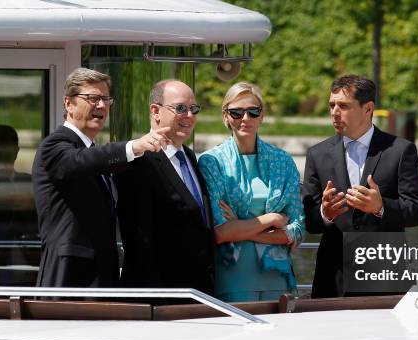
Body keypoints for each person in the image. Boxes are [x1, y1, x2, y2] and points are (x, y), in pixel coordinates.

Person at [32, 67, 170, 287]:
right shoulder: (55, 145)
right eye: (92, 98)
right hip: (70, 279)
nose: (102, 105)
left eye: (106, 99)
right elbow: (82, 160)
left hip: (103, 277)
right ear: (68, 104)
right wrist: (133, 146)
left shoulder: (95, 154)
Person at [302, 75, 418, 298]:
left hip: (385, 279)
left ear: (368, 109)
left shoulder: (400, 151)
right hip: (333, 281)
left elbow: (417, 211)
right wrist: (325, 213)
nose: (334, 112)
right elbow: (309, 221)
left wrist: (381, 207)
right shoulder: (317, 155)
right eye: (332, 105)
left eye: (344, 106)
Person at [198, 82, 305, 302]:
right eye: (236, 112)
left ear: (262, 116)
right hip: (231, 276)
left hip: (277, 277)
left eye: (253, 112)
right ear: (226, 116)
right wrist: (272, 219)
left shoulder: (283, 160)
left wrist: (241, 227)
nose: (245, 118)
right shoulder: (212, 162)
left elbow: (297, 229)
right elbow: (220, 232)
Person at [114, 80, 214, 295]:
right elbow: (139, 241)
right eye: (180, 108)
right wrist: (158, 303)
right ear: (155, 111)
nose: (189, 116)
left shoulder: (188, 156)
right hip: (162, 298)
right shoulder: (138, 161)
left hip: (199, 294)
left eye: (193, 109)